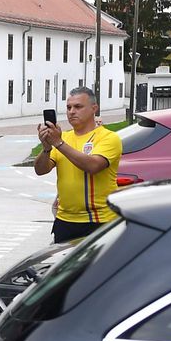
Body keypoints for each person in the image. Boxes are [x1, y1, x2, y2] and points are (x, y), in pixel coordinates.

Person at [35, 86, 123, 243]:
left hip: (98, 221)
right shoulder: (64, 138)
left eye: (78, 107)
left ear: (94, 108)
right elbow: (41, 170)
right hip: (65, 220)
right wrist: (47, 148)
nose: (71, 111)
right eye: (69, 107)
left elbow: (93, 166)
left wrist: (58, 143)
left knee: (96, 268)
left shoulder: (108, 137)